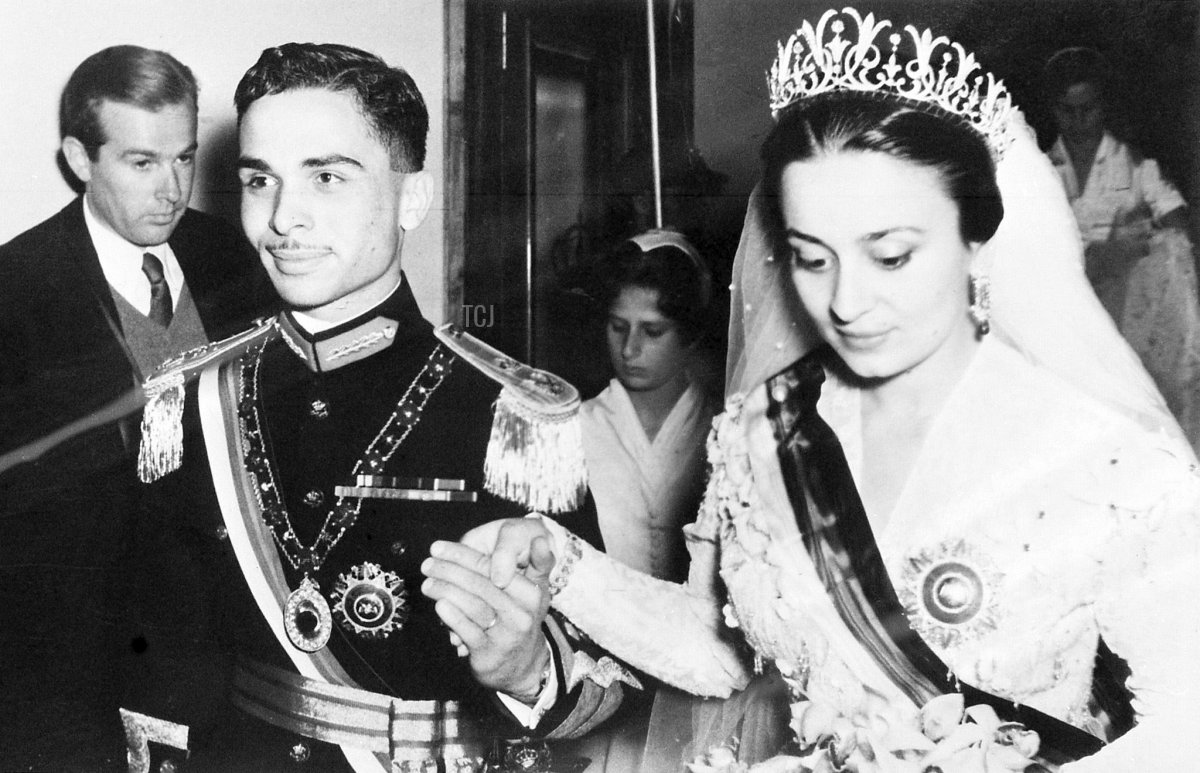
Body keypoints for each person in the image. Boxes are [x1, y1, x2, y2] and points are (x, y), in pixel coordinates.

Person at [431, 9, 1200, 772]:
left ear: (977, 237)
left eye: (891, 255)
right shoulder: (760, 431)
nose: (845, 302)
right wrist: (562, 563)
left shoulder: (1104, 458)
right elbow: (723, 649)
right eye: (810, 256)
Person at [119, 42, 633, 773]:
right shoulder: (193, 397)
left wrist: (526, 670)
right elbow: (160, 654)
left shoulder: (510, 413)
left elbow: (606, 685)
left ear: (412, 198)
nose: (282, 218)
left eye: (326, 177)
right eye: (259, 180)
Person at [0, 45, 271, 771]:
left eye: (183, 158)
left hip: (236, 663)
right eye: (142, 163)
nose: (173, 189)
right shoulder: (15, 290)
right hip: (75, 680)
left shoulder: (233, 256)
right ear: (78, 158)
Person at [1043, 46, 1200, 451]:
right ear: (1053, 109)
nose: (1079, 121)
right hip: (1067, 298)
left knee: (1169, 254)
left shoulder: (1134, 162)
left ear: (1103, 106)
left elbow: (1178, 222)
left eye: (1088, 109)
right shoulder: (1041, 169)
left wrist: (1135, 237)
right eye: (1067, 110)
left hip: (1127, 300)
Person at [583, 229, 718, 582]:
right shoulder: (577, 427)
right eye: (618, 327)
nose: (629, 349)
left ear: (689, 335)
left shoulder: (721, 428)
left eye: (653, 331)